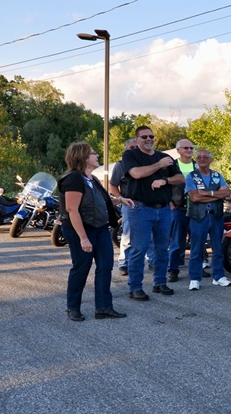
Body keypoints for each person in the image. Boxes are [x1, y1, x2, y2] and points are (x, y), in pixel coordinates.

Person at [59, 142, 127, 321]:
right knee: (81, 267)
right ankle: (73, 307)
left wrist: (120, 200)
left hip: (100, 228)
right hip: (81, 230)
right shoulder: (73, 179)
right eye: (93, 153)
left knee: (105, 267)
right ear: (82, 157)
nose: (97, 156)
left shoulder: (92, 179)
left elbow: (100, 202)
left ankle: (103, 307)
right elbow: (72, 209)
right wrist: (83, 238)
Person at [123, 126, 185, 301]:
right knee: (139, 249)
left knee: (162, 249)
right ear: (137, 139)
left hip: (164, 209)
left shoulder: (164, 156)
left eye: (151, 136)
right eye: (144, 137)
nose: (149, 139)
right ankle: (135, 287)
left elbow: (180, 178)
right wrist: (159, 165)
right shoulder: (131, 155)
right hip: (141, 209)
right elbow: (136, 173)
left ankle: (159, 283)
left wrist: (165, 180)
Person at [185, 149, 231, 290]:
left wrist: (207, 193)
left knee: (218, 247)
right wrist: (217, 195)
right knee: (196, 248)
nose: (202, 159)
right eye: (199, 157)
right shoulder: (191, 176)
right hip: (198, 217)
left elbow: (227, 193)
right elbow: (194, 197)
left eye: (205, 157)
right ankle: (194, 278)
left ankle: (218, 276)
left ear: (211, 160)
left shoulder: (217, 175)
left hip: (216, 215)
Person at [166, 139, 199, 282]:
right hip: (178, 208)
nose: (189, 150)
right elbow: (165, 186)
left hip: (196, 208)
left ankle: (197, 268)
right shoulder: (172, 166)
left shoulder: (197, 165)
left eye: (191, 148)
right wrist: (171, 205)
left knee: (197, 239)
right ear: (178, 150)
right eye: (186, 148)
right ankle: (173, 270)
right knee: (176, 241)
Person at [108, 138, 139, 277]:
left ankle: (151, 260)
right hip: (129, 203)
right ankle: (124, 263)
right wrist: (121, 198)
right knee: (128, 235)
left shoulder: (145, 163)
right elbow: (113, 185)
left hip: (147, 204)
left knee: (150, 235)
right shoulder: (121, 165)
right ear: (126, 149)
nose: (134, 150)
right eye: (132, 148)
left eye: (136, 148)